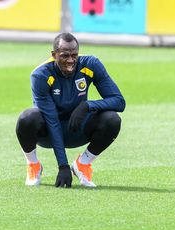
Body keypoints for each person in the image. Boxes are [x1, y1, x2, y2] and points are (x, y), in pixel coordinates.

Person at [16, 33, 125, 188]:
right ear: (54, 55)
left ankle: (83, 164)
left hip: (77, 128)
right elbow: (52, 120)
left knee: (112, 119)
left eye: (74, 55)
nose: (70, 60)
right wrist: (63, 165)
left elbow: (119, 102)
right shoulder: (40, 75)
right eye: (65, 56)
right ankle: (33, 165)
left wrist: (87, 106)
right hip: (48, 132)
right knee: (27, 118)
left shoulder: (90, 64)